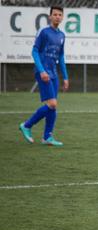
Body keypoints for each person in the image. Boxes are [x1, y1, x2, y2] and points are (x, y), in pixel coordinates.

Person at [19, 6, 69, 147]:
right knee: (52, 104)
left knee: (52, 107)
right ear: (50, 16)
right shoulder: (43, 31)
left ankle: (47, 137)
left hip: (53, 73)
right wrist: (41, 70)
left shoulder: (62, 35)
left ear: (62, 17)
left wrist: (65, 77)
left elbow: (61, 56)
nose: (57, 17)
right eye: (55, 14)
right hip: (43, 72)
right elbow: (34, 52)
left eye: (60, 14)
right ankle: (27, 125)